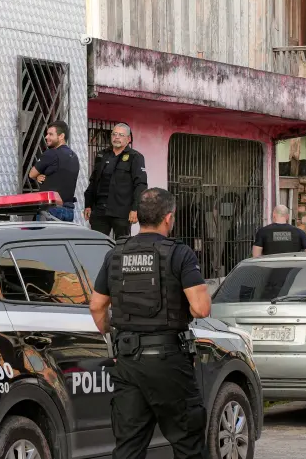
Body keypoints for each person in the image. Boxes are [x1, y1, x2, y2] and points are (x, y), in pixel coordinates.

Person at [89, 188, 211, 459]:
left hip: (128, 361)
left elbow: (97, 306)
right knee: (188, 445)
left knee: (129, 448)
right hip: (169, 362)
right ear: (168, 218)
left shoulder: (115, 254)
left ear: (139, 217)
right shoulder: (180, 254)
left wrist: (114, 337)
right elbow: (201, 309)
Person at [84, 123, 147, 238]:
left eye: (121, 135)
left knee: (121, 244)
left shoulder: (135, 157)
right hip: (100, 210)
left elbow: (140, 185)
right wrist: (88, 205)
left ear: (128, 139)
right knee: (97, 243)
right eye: (114, 134)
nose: (116, 137)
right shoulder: (102, 155)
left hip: (122, 211)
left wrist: (135, 208)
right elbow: (93, 181)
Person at [29, 120, 80, 222]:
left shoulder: (51, 153)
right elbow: (60, 175)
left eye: (50, 134)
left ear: (61, 136)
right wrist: (40, 175)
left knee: (43, 233)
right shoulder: (74, 157)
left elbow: (31, 174)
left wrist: (37, 176)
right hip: (68, 211)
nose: (46, 137)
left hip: (50, 210)